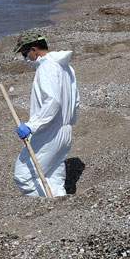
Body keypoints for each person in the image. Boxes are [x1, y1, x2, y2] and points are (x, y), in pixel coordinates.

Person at [12, 30, 80, 197]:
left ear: (34, 49)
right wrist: (68, 122)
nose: (25, 58)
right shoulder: (66, 67)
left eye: (25, 53)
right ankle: (59, 201)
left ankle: (47, 202)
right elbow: (76, 100)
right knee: (52, 173)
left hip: (50, 131)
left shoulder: (47, 68)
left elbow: (53, 101)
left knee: (23, 176)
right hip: (65, 130)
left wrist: (31, 126)